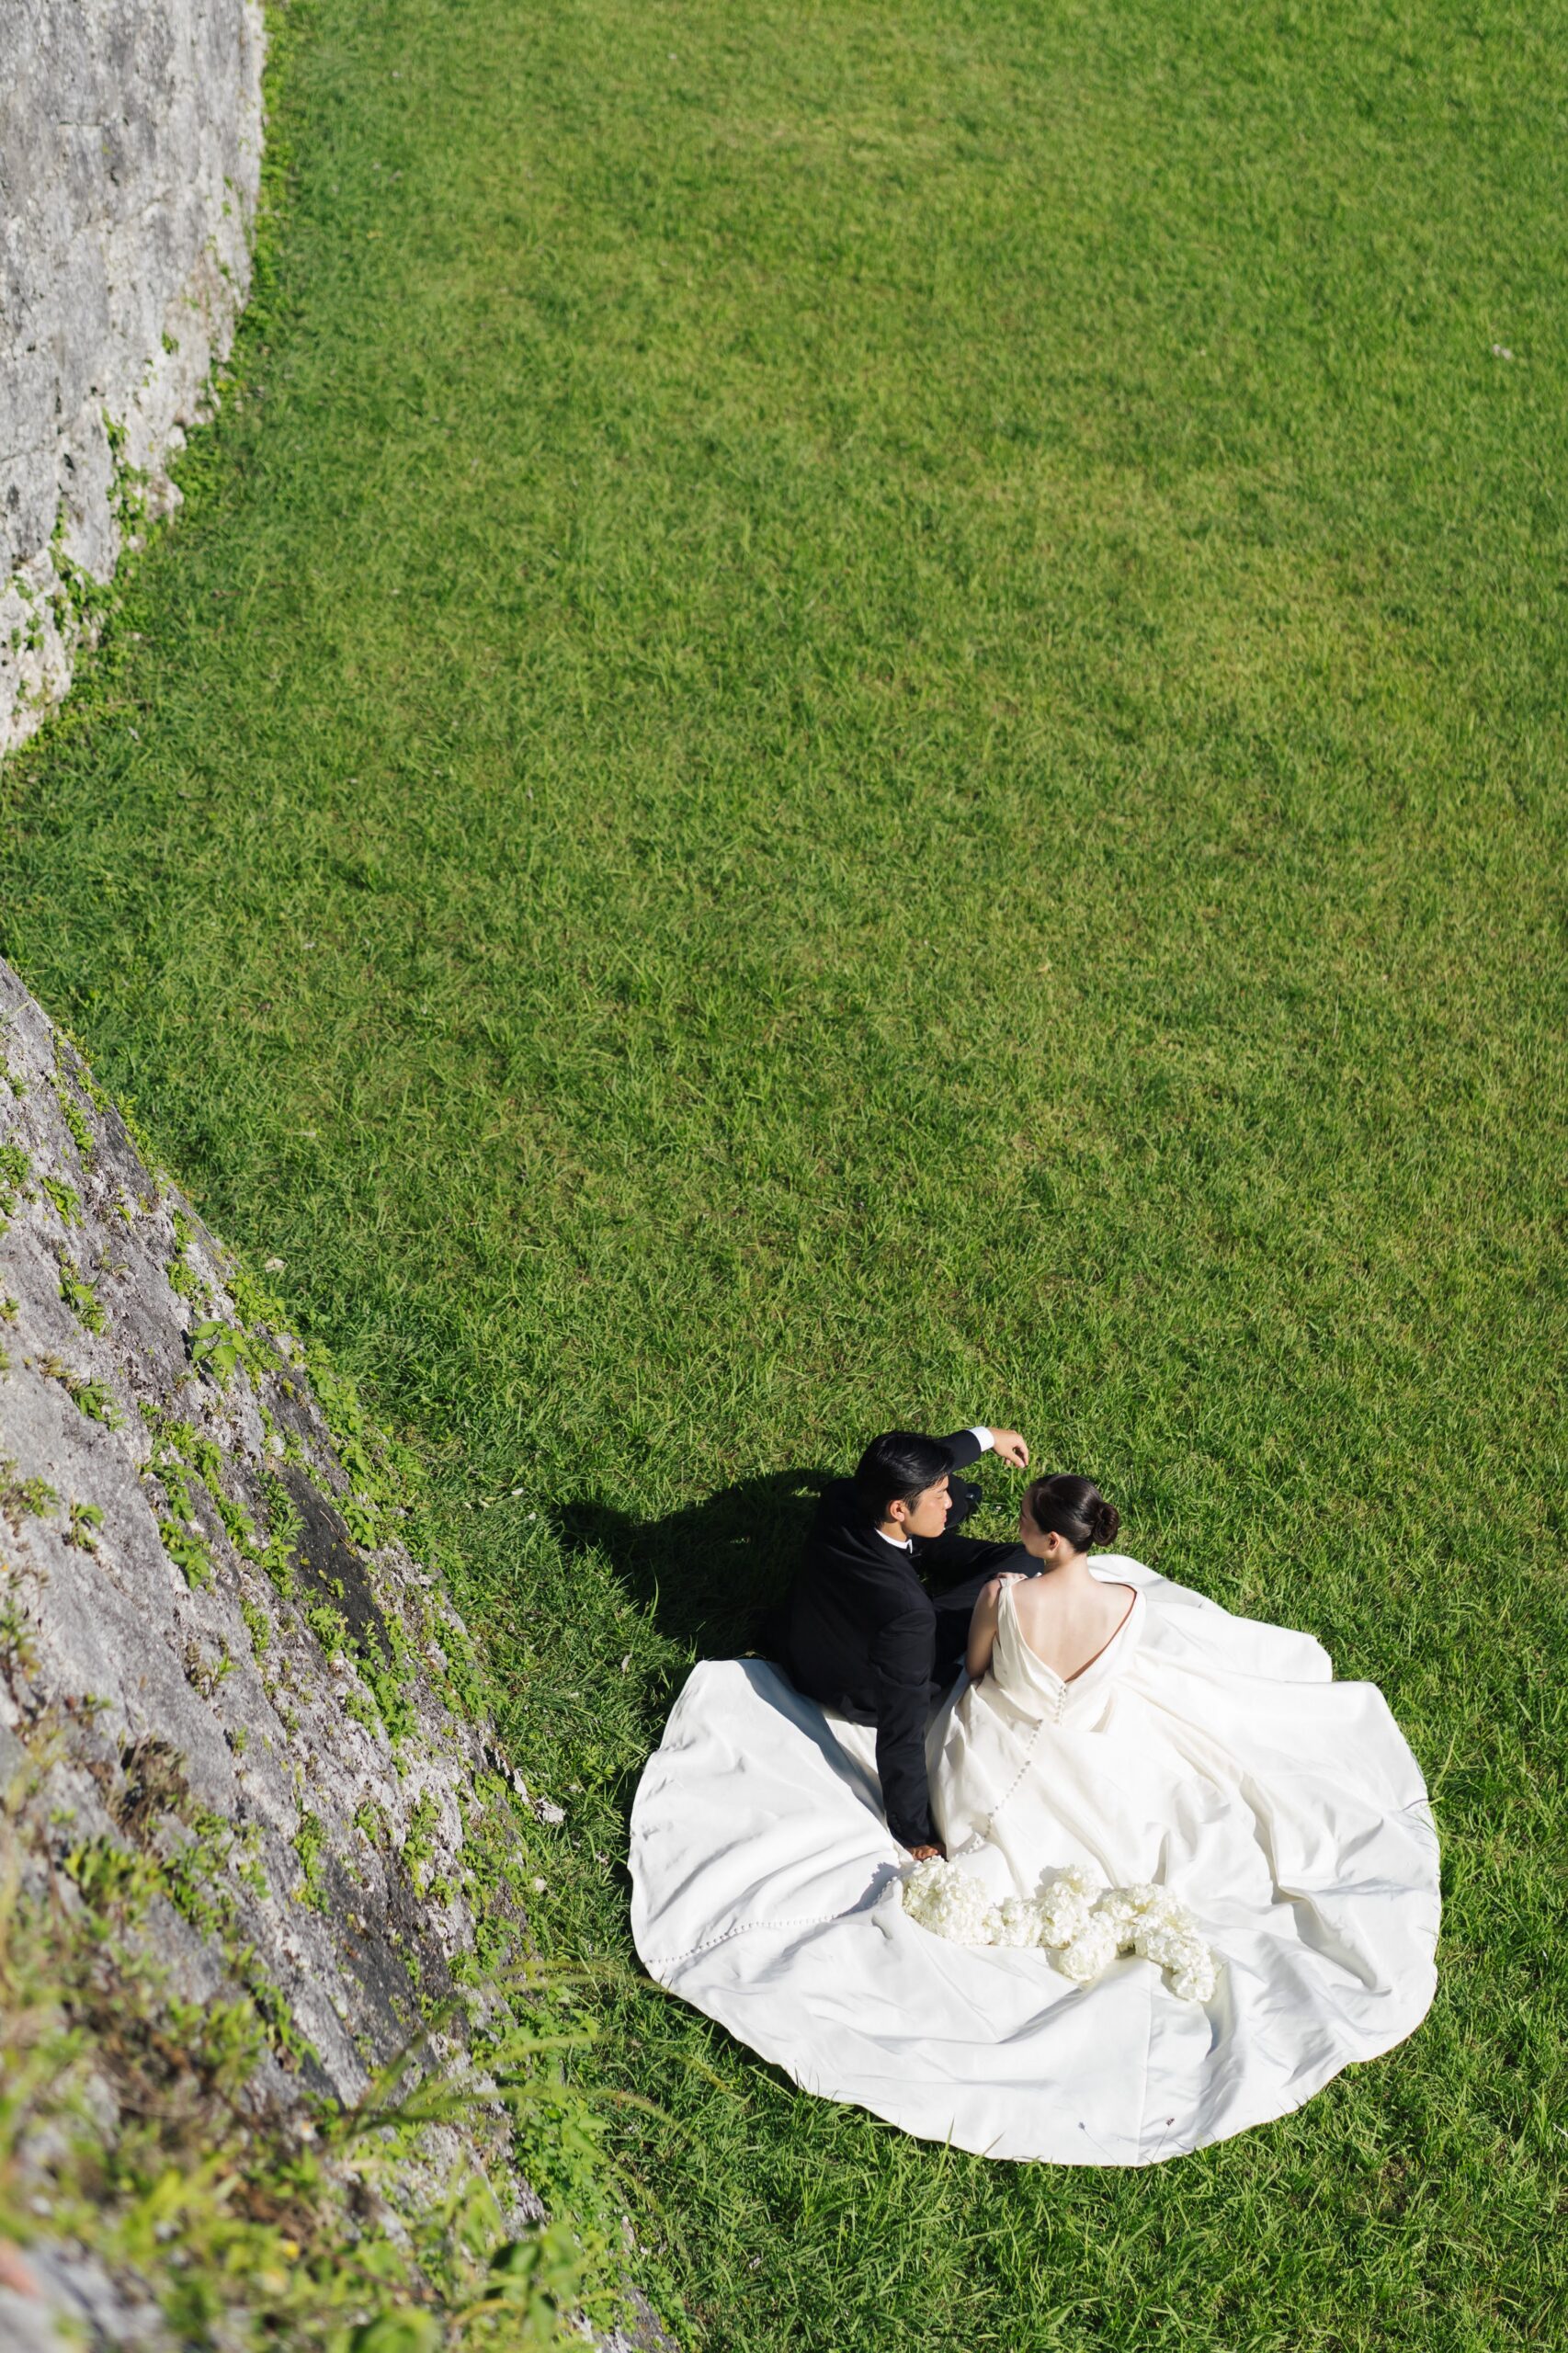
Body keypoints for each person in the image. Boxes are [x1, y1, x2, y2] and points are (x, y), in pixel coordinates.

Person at [784, 1424, 1030, 1858]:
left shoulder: (841, 1498)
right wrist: (913, 1833)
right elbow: (902, 1730)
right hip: (857, 1690)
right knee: (1025, 1564)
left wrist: (988, 1437)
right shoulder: (910, 1616)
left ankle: (926, 1543)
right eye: (939, 1496)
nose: (948, 1499)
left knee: (953, 1517)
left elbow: (930, 1464)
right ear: (899, 1508)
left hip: (806, 1642)